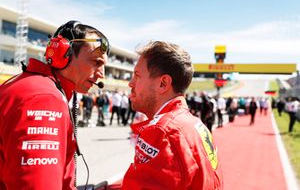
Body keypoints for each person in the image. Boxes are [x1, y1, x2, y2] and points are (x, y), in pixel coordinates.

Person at [0, 20, 109, 189]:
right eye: (97, 62)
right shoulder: (44, 99)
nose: (102, 74)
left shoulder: (35, 86)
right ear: (64, 54)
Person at [122, 41, 223, 189]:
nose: (130, 83)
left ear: (163, 83)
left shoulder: (163, 132)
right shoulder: (195, 124)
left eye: (137, 76)